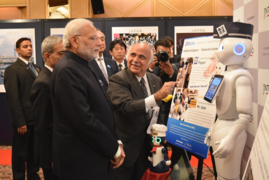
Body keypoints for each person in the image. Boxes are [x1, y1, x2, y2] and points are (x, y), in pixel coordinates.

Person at [50, 18, 125, 180]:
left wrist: (115, 140)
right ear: (74, 41)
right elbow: (83, 120)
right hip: (81, 161)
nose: (99, 43)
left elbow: (101, 107)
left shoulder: (85, 64)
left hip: (93, 154)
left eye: (99, 38)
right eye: (93, 38)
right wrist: (113, 148)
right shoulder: (68, 69)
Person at [107, 42, 177, 180]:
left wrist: (160, 134)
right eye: (133, 55)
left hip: (149, 147)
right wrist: (157, 96)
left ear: (150, 61)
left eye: (142, 57)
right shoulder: (118, 79)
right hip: (127, 149)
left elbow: (160, 109)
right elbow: (127, 107)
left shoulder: (155, 79)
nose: (135, 60)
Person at [4, 37, 41, 180]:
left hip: (37, 118)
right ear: (17, 50)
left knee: (34, 151)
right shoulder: (12, 70)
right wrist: (20, 122)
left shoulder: (37, 68)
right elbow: (13, 98)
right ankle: (18, 177)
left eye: (31, 46)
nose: (30, 48)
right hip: (23, 120)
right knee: (20, 153)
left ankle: (33, 175)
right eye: (25, 46)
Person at [30, 35, 66, 180]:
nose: (65, 57)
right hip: (52, 153)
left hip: (61, 149)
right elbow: (43, 125)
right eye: (61, 53)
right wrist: (50, 156)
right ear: (47, 56)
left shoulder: (56, 76)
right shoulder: (43, 83)